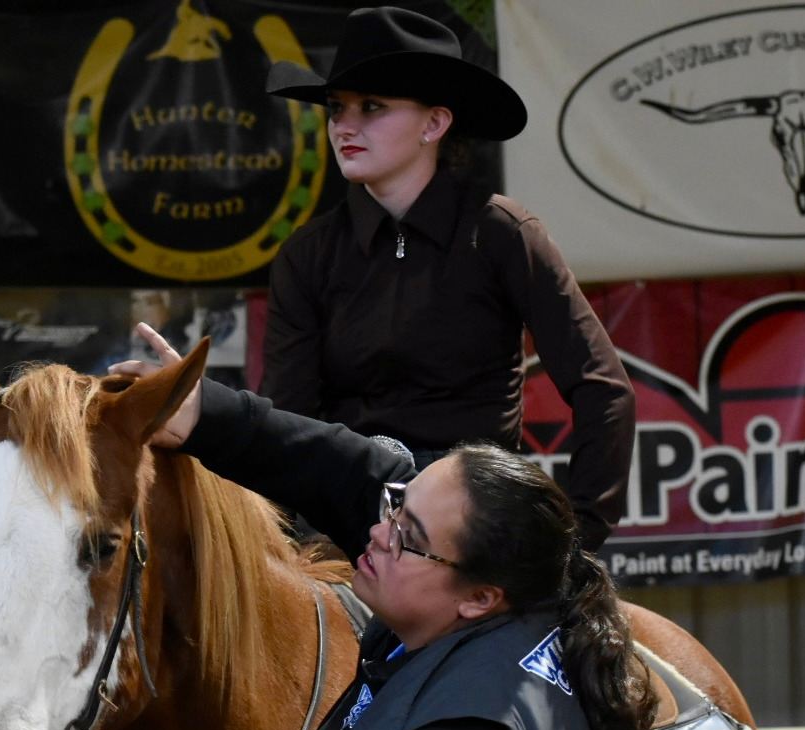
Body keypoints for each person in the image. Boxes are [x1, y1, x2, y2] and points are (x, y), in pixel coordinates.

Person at [113, 322, 657, 730]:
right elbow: (355, 476)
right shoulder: (532, 609)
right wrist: (209, 415)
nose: (376, 531)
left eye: (407, 535)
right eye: (395, 506)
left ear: (480, 597)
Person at [259, 6, 634, 551]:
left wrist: (577, 539)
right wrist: (285, 549)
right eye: (337, 108)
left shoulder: (502, 232)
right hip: (349, 522)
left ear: (434, 124)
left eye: (372, 106)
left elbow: (603, 390)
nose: (344, 125)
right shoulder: (307, 254)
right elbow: (285, 425)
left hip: (476, 520)